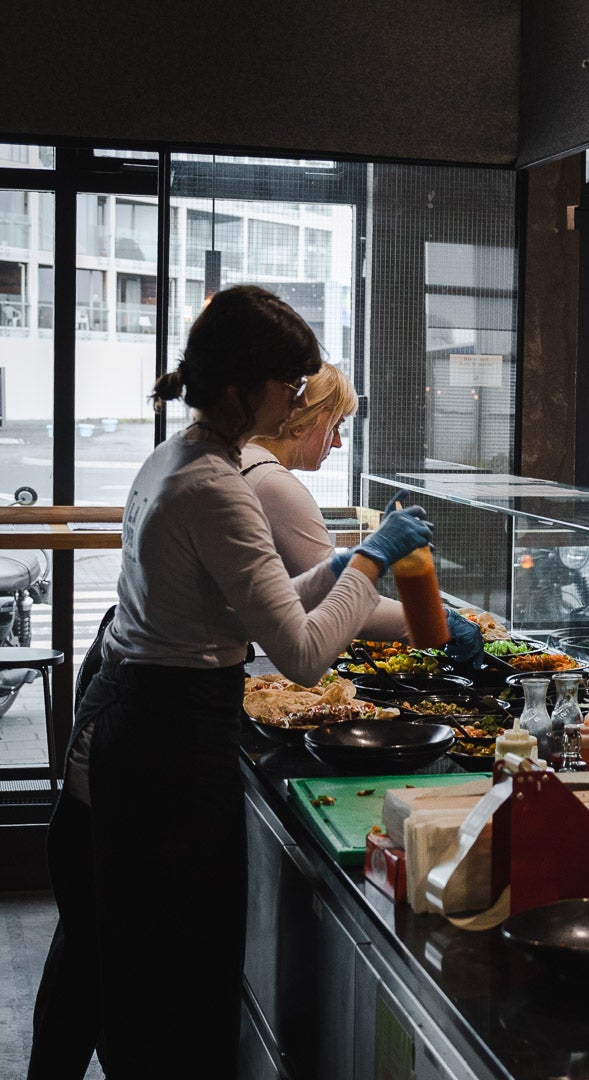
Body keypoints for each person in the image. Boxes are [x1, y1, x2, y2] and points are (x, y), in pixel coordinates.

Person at [28, 286, 435, 1078]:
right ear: (245, 384)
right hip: (167, 743)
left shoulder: (179, 457)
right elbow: (304, 654)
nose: (293, 404)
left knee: (125, 956)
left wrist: (339, 566)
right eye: (287, 385)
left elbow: (266, 600)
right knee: (171, 977)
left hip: (131, 718)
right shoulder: (217, 487)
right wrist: (371, 558)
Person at [240, 361, 483, 665]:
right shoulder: (273, 483)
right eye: (336, 425)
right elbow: (339, 599)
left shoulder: (246, 462)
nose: (339, 442)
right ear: (302, 420)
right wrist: (439, 620)